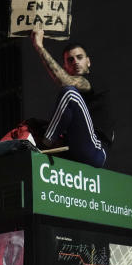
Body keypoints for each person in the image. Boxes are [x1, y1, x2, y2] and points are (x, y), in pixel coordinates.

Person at [29, 27, 112, 167]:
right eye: (70, 60)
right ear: (65, 67)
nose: (75, 62)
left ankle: (45, 144)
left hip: (96, 149)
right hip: (74, 148)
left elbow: (66, 83)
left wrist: (39, 46)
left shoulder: (95, 81)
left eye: (80, 57)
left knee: (69, 93)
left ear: (88, 61)